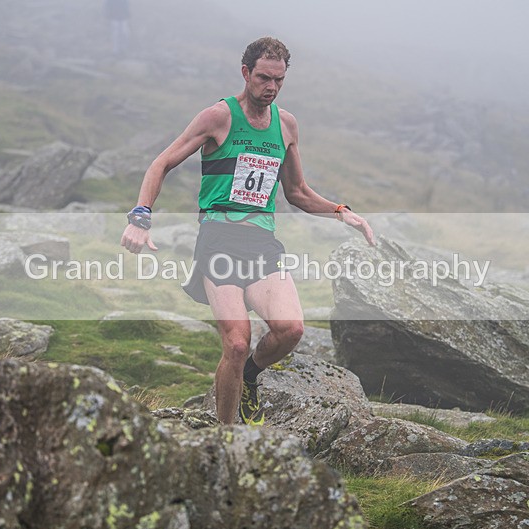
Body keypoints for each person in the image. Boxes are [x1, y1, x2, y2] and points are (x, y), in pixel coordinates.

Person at [121, 37, 375, 425]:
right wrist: (140, 216)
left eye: (279, 80)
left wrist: (342, 213)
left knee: (290, 329)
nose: (270, 87)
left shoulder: (286, 125)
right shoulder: (217, 117)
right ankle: (226, 438)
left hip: (261, 242)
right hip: (219, 240)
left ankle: (252, 376)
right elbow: (161, 164)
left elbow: (298, 193)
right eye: (263, 78)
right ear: (245, 74)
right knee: (236, 343)